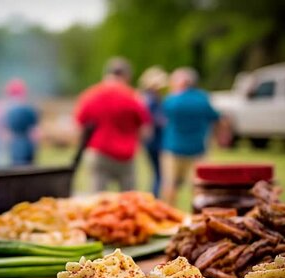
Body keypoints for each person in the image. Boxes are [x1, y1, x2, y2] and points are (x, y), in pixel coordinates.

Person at [74, 57, 151, 191]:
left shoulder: (91, 94)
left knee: (97, 200)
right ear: (126, 76)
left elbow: (79, 125)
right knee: (129, 201)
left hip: (98, 152)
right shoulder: (133, 96)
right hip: (125, 155)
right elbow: (146, 130)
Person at [160, 67, 222, 205]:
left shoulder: (172, 100)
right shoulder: (203, 99)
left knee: (170, 185)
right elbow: (216, 118)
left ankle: (169, 215)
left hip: (173, 149)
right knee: (198, 188)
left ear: (182, 82)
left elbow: (162, 117)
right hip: (197, 150)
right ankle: (197, 216)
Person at [138, 66, 168, 198]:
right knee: (159, 173)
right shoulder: (151, 100)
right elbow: (154, 120)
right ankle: (154, 198)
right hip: (155, 141)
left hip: (152, 141)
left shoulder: (146, 98)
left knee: (157, 173)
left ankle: (153, 197)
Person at [3, 78, 38, 166]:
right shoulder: (28, 108)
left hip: (16, 141)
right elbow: (34, 129)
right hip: (26, 141)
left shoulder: (8, 109)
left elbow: (5, 128)